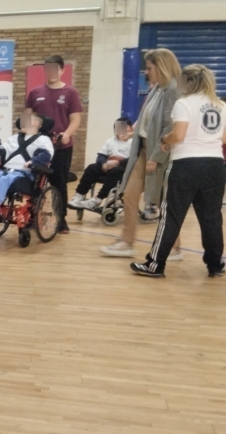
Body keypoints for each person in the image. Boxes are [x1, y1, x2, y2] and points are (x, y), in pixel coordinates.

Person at [131, 65, 226, 278]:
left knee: (172, 216)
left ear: (189, 82)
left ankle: (155, 264)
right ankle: (215, 265)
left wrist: (165, 139)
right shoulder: (220, 105)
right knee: (212, 217)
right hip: (215, 165)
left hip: (186, 164)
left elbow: (179, 135)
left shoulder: (184, 103)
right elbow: (224, 138)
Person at [100, 49, 184, 259]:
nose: (146, 72)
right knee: (129, 194)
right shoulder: (157, 89)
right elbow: (146, 119)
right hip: (143, 150)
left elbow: (169, 127)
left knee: (164, 202)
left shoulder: (173, 90)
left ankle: (174, 248)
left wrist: (156, 156)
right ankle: (127, 242)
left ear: (162, 67)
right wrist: (132, 134)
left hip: (161, 154)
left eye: (149, 68)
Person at [25, 55, 83, 234]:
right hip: (38, 148)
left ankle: (61, 220)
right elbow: (27, 117)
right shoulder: (35, 93)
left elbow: (75, 119)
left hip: (61, 147)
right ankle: (31, 217)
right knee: (34, 183)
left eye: (54, 69)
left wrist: (66, 134)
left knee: (59, 183)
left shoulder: (70, 93)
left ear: (62, 70)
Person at [0, 113, 55, 221]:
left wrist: (33, 161)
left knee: (4, 179)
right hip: (7, 170)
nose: (20, 123)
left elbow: (46, 155)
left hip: (24, 173)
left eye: (24, 120)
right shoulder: (14, 138)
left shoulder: (43, 140)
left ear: (34, 123)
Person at [68, 117, 133, 210]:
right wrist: (103, 164)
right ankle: (79, 195)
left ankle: (97, 199)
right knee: (91, 168)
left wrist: (117, 163)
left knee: (116, 171)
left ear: (130, 128)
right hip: (108, 166)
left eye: (123, 127)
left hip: (123, 169)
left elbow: (133, 159)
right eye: (117, 128)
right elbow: (101, 155)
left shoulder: (134, 142)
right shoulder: (110, 141)